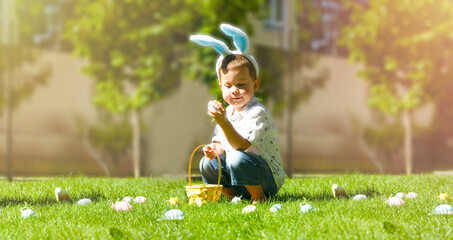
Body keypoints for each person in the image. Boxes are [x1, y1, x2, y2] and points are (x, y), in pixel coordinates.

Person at [190, 24, 285, 203]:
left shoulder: (258, 113)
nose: (234, 90)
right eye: (228, 86)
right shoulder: (228, 113)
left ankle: (259, 197)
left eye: (241, 85)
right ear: (221, 86)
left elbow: (240, 146)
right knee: (206, 162)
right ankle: (233, 197)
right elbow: (222, 146)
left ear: (255, 85)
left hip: (266, 179)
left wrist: (224, 122)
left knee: (236, 157)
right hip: (240, 175)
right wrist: (212, 151)